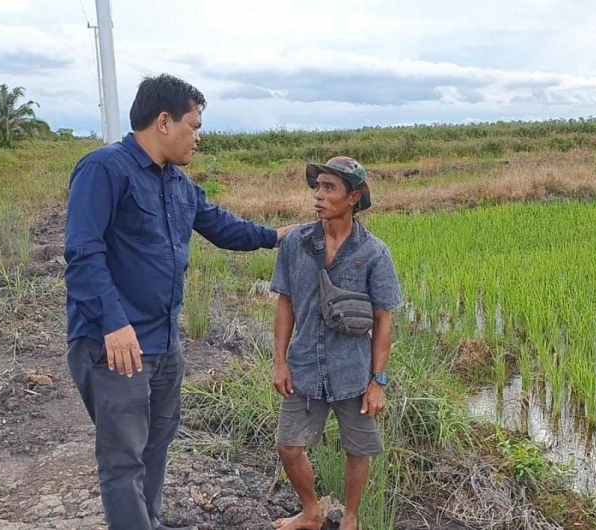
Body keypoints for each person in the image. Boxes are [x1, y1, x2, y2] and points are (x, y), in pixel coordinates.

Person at [64, 73, 296, 530]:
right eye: (194, 126)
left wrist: (277, 237)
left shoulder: (179, 185)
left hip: (164, 340)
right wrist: (114, 324)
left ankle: (146, 520)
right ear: (164, 121)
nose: (198, 137)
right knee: (123, 459)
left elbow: (221, 226)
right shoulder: (105, 169)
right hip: (116, 345)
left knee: (156, 443)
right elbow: (82, 254)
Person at [269, 156, 404, 530]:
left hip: (353, 371)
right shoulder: (296, 243)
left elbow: (383, 319)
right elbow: (285, 304)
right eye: (317, 186)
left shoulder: (373, 252)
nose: (319, 195)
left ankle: (350, 518)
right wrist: (279, 360)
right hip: (305, 367)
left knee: (358, 449)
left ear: (354, 197)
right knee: (289, 445)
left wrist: (379, 381)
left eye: (330, 188)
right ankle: (311, 512)